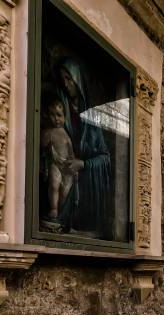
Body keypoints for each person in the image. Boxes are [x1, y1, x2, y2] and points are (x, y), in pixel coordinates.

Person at [56, 58, 111, 238]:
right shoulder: (59, 112)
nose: (65, 84)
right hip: (64, 178)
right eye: (62, 79)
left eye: (68, 78)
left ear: (77, 80)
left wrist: (84, 164)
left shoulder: (92, 118)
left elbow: (104, 157)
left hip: (86, 189)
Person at [40, 98, 76, 222]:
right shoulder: (48, 132)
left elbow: (71, 152)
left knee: (65, 190)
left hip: (66, 165)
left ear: (65, 117)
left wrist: (73, 163)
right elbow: (42, 145)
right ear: (46, 116)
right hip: (55, 163)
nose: (56, 119)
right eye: (52, 115)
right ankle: (54, 208)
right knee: (54, 184)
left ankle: (61, 210)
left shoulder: (66, 135)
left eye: (59, 115)